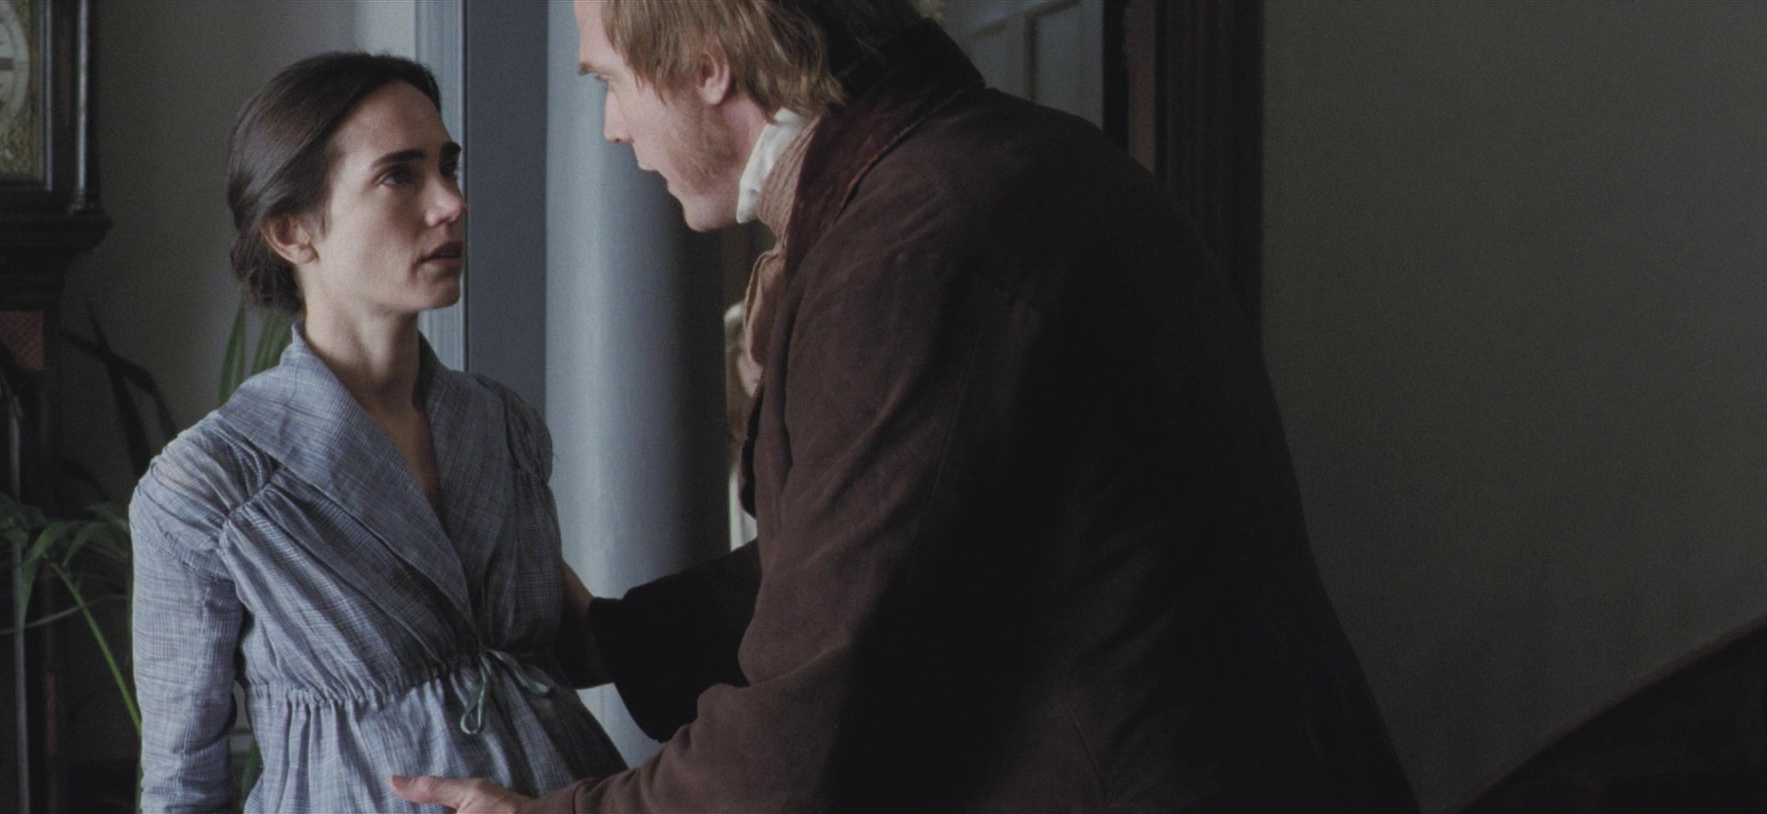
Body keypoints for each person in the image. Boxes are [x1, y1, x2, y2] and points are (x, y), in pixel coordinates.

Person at [394, 1, 1419, 811]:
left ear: (708, 65)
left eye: (610, 82)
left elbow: (810, 729)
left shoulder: (909, 253)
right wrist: (615, 641)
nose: (614, 128)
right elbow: (884, 545)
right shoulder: (994, 162)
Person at [130, 52, 624, 813]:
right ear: (292, 231)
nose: (452, 202)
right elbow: (181, 786)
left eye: (447, 167)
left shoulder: (501, 424)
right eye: (400, 175)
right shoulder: (211, 484)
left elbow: (573, 642)